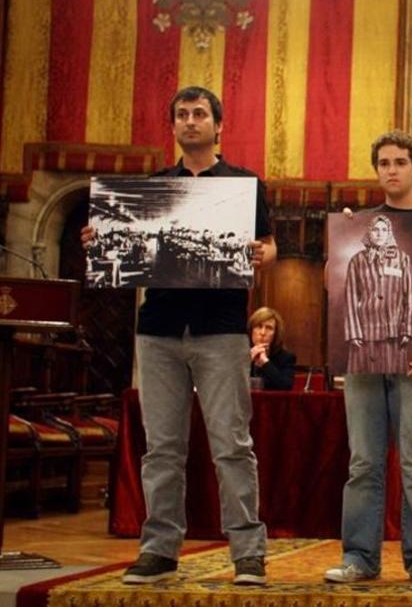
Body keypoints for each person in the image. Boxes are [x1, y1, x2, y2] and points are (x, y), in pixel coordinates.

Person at [82, 86, 276, 586]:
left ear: (218, 125)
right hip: (160, 329)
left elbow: (270, 245)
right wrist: (100, 239)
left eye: (200, 114)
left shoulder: (244, 184)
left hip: (221, 329)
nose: (190, 122)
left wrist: (265, 254)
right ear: (172, 126)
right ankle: (160, 548)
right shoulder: (152, 186)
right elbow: (126, 250)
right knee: (162, 448)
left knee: (232, 445)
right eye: (182, 115)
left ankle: (248, 553)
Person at [324, 131, 412, 587]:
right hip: (364, 359)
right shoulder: (358, 226)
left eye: (400, 162)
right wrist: (338, 241)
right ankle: (359, 557)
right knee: (363, 463)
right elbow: (337, 289)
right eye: (383, 162)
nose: (391, 170)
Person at [345, 214, 412, 374]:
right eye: (375, 229)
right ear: (369, 232)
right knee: (365, 385)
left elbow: (409, 297)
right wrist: (354, 332)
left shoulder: (403, 259)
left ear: (389, 232)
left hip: (394, 333)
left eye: (384, 230)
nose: (379, 233)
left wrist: (408, 329)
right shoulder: (356, 261)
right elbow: (350, 298)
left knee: (393, 384)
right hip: (365, 333)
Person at [248, 306, 297, 391]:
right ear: (251, 330)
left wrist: (265, 363)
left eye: (269, 328)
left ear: (276, 334)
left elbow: (286, 387)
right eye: (259, 326)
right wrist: (247, 361)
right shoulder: (240, 355)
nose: (263, 333)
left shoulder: (286, 358)